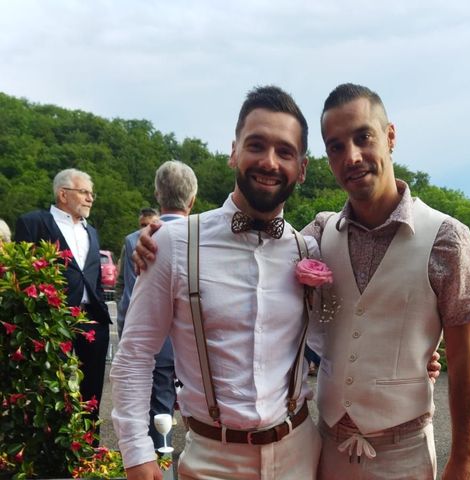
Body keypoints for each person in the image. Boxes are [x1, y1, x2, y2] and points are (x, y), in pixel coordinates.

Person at [110, 86, 323, 480]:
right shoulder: (174, 244)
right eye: (256, 145)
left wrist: (420, 356)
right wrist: (137, 453)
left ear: (303, 168)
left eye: (285, 151)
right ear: (234, 152)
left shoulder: (308, 248)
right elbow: (136, 353)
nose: (270, 162)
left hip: (301, 453)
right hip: (212, 460)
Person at [302, 83, 470, 480]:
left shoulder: (447, 238)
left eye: (362, 137)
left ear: (389, 136)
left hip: (404, 455)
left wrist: (464, 457)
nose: (351, 156)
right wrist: (167, 242)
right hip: (327, 448)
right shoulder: (319, 234)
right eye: (335, 146)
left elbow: (463, 358)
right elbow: (258, 257)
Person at [14, 168, 111, 437]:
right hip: (52, 324)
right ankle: (52, 454)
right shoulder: (33, 223)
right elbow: (23, 274)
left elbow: (93, 277)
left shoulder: (91, 231)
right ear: (63, 194)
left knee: (91, 392)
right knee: (50, 392)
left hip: (92, 322)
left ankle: (89, 453)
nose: (91, 198)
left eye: (92, 193)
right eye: (84, 192)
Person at [116, 161, 197, 451]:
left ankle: (163, 461)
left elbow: (130, 299)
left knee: (160, 408)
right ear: (193, 199)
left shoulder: (135, 241)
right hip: (199, 348)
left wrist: (128, 338)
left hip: (158, 345)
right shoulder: (204, 237)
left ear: (157, 195)